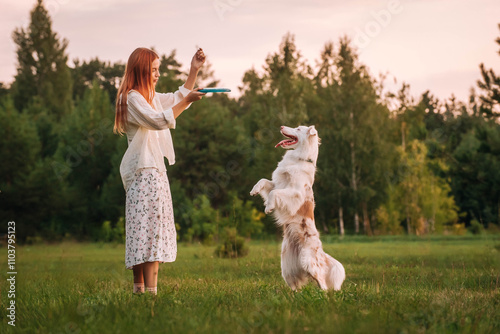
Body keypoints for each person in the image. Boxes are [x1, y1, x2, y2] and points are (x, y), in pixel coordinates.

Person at [114, 47, 206, 295]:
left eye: (158, 69)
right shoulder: (132, 98)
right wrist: (186, 101)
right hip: (144, 173)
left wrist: (193, 71)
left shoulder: (149, 97)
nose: (157, 74)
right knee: (147, 233)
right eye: (154, 69)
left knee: (144, 231)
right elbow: (158, 121)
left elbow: (176, 99)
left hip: (153, 171)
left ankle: (140, 293)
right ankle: (148, 296)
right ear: (142, 70)